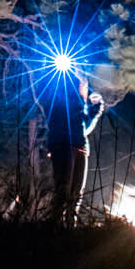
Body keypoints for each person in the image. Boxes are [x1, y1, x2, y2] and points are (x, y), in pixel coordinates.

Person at [48, 77, 98, 224]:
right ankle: (55, 227)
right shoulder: (60, 97)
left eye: (85, 85)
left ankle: (70, 227)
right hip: (64, 146)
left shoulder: (81, 104)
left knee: (76, 194)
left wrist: (94, 111)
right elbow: (56, 119)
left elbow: (83, 128)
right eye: (82, 84)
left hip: (80, 147)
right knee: (63, 190)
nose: (85, 87)